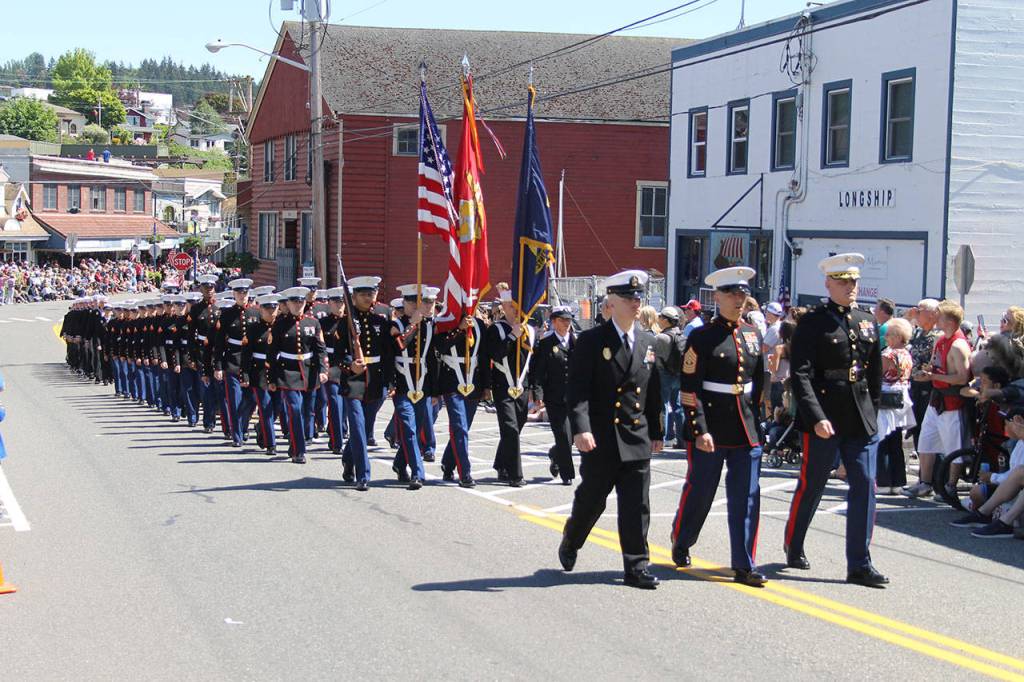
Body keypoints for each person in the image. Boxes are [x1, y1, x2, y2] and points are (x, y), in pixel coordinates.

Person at [784, 253, 887, 588]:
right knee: (813, 484)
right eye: (843, 282)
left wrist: (872, 410)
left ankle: (859, 563)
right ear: (828, 284)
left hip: (859, 417)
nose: (850, 288)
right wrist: (815, 417)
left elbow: (873, 373)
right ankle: (794, 542)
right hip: (825, 415)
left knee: (864, 485)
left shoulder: (866, 320)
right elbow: (800, 375)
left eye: (854, 282)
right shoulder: (813, 322)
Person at [558, 270, 664, 590]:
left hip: (636, 436)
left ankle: (636, 565)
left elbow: (653, 391)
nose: (636, 303)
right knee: (592, 501)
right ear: (612, 303)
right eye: (629, 299)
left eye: (638, 298)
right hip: (601, 438)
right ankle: (572, 539)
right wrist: (580, 428)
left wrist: (657, 430)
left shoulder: (648, 341)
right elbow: (577, 390)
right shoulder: (592, 341)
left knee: (636, 505)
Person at [670, 266, 766, 587]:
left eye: (743, 294)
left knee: (747, 496)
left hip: (745, 427)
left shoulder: (752, 333)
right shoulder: (702, 336)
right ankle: (682, 539)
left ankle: (744, 564)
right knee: (701, 491)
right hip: (711, 425)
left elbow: (759, 383)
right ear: (718, 297)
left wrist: (758, 425)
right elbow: (689, 387)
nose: (739, 300)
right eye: (732, 294)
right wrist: (699, 429)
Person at [904, 300, 972, 498]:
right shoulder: (940, 340)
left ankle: (950, 486)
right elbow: (936, 367)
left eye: (939, 316)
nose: (935, 319)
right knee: (926, 441)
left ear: (949, 321)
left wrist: (933, 377)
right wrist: (927, 374)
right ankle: (925, 483)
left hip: (952, 403)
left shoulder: (959, 345)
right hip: (936, 400)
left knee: (953, 446)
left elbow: (961, 377)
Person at [337, 276, 392, 490]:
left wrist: (390, 380)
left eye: (371, 293)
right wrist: (350, 365)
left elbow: (388, 353)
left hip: (376, 380)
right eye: (363, 294)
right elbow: (337, 354)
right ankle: (363, 474)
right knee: (358, 428)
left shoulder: (382, 318)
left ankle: (348, 459)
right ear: (354, 297)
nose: (368, 298)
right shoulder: (346, 321)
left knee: (365, 426)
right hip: (354, 382)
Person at [268, 287, 328, 464]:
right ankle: (299, 450)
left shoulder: (313, 322)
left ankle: (295, 443)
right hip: (287, 372)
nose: (298, 305)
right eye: (294, 302)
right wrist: (271, 378)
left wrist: (324, 370)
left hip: (309, 371)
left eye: (301, 302)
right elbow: (272, 353)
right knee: (294, 409)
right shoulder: (279, 324)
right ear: (287, 304)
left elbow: (321, 349)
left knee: (306, 410)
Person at [388, 284, 438, 490]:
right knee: (408, 428)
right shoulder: (396, 324)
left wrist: (435, 390)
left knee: (416, 430)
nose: (417, 306)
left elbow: (432, 358)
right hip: (402, 383)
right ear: (404, 303)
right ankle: (418, 473)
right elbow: (396, 347)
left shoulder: (428, 325)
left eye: (420, 302)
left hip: (422, 382)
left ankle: (400, 463)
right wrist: (412, 325)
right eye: (412, 302)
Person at [487, 283, 536, 487]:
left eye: (517, 307)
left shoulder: (530, 331)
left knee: (516, 427)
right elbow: (495, 354)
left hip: (522, 387)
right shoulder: (496, 330)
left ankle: (500, 463)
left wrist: (534, 390)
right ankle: (515, 474)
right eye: (511, 307)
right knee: (510, 428)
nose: (515, 311)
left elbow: (532, 363)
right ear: (504, 308)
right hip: (502, 386)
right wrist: (512, 336)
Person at [530, 306, 577, 485]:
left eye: (569, 320)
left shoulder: (576, 342)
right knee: (563, 435)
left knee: (572, 436)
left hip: (574, 398)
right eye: (563, 320)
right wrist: (538, 395)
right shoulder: (546, 344)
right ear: (554, 321)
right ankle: (567, 474)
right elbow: (539, 373)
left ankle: (555, 454)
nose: (567, 324)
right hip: (554, 398)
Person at [875, 318, 915, 494]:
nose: (886, 337)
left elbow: (877, 374)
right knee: (896, 441)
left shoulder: (888, 354)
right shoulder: (907, 353)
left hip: (886, 397)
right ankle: (898, 481)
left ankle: (883, 481)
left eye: (889, 334)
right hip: (901, 397)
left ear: (899, 336)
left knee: (883, 439)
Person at [239, 293, 281, 456]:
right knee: (265, 407)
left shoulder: (281, 326)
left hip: (277, 371)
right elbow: (246, 354)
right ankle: (271, 444)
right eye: (267, 309)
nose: (271, 312)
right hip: (259, 372)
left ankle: (261, 428)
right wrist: (245, 375)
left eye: (274, 309)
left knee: (277, 407)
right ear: (261, 310)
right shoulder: (254, 329)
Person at [213, 278, 253, 447]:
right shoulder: (227, 315)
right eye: (239, 293)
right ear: (234, 294)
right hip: (232, 360)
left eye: (244, 293)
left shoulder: (256, 313)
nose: (242, 296)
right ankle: (237, 435)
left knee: (250, 400)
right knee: (234, 400)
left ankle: (243, 425)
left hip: (251, 363)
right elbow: (219, 342)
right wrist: (218, 366)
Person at [907, 299, 941, 450]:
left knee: (925, 429)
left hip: (929, 387)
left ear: (933, 314)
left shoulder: (938, 335)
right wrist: (909, 317)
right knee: (915, 428)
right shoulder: (918, 332)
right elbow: (899, 332)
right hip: (914, 386)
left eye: (921, 311)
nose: (917, 313)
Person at [653, 306, 685, 448]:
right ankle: (681, 438)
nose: (658, 319)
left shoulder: (660, 337)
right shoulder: (681, 335)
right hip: (678, 374)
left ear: (666, 320)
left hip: (664, 374)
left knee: (663, 405)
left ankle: (663, 435)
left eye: (660, 317)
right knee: (677, 406)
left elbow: (655, 358)